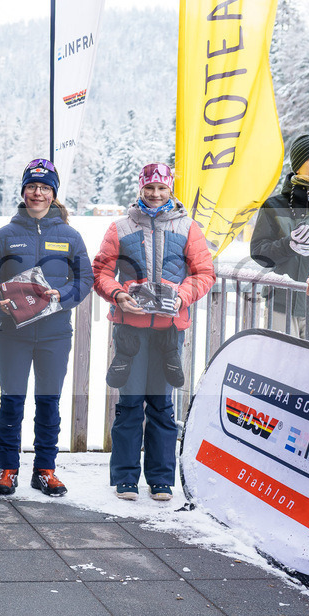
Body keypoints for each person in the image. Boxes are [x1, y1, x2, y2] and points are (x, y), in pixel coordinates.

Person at [92, 162, 214, 502]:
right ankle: (125, 478)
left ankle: (161, 479)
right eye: (149, 188)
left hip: (169, 330)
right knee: (129, 403)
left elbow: (204, 273)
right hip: (129, 328)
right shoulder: (119, 227)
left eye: (162, 188)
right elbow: (100, 271)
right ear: (140, 189)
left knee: (162, 406)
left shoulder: (189, 228)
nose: (156, 194)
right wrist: (118, 294)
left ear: (170, 189)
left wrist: (182, 296)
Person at [0, 159, 93, 498]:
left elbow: (85, 279)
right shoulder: (4, 235)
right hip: (12, 334)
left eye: (45, 188)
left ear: (54, 194)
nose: (38, 193)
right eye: (32, 187)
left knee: (49, 402)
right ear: (23, 192)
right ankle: (8, 469)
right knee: (12, 401)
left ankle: (45, 470)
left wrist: (61, 295)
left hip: (55, 333)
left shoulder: (70, 236)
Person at [250, 134, 309, 345]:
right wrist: (287, 246)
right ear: (298, 165)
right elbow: (258, 253)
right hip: (282, 304)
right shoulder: (274, 205)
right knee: (280, 367)